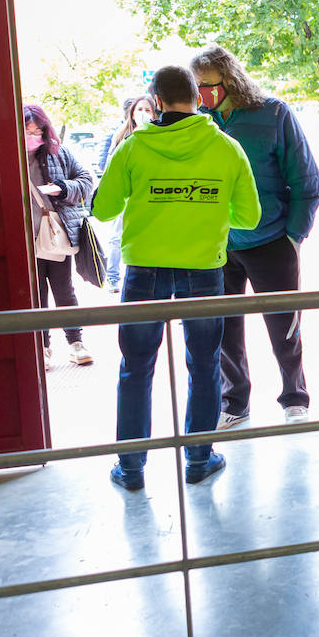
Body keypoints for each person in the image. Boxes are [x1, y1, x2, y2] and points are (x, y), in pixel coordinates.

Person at [91, 66, 261, 491]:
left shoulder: (133, 147)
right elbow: (249, 217)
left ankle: (131, 468)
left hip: (144, 270)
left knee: (135, 368)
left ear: (157, 102)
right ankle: (199, 459)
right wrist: (206, 209)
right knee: (204, 365)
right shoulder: (227, 148)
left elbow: (103, 210)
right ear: (198, 99)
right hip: (203, 268)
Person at [188, 45, 319, 428]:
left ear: (229, 79)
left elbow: (307, 181)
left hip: (271, 242)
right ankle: (235, 402)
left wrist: (294, 236)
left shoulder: (274, 113)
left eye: (207, 85)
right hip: (216, 247)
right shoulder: (196, 122)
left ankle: (295, 397)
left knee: (284, 327)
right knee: (224, 330)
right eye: (195, 87)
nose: (201, 94)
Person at [24, 104, 96, 368]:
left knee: (64, 289)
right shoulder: (9, 156)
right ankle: (42, 347)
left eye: (38, 131)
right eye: (28, 131)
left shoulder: (59, 153)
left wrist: (63, 189)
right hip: (25, 239)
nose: (33, 136)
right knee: (36, 294)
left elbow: (86, 180)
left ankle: (76, 343)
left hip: (55, 235)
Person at [97, 95, 157, 292]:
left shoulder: (158, 135)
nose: (143, 114)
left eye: (147, 110)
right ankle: (113, 277)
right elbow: (107, 165)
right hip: (124, 195)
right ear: (132, 113)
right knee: (116, 238)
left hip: (145, 196)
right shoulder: (121, 135)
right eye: (140, 109)